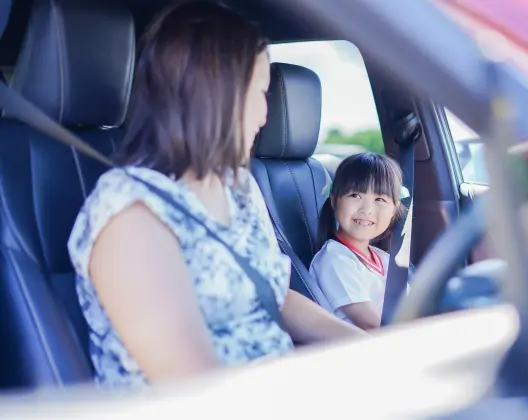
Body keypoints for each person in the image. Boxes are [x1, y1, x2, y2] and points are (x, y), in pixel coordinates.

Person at [67, 1, 364, 388]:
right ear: (218, 94)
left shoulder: (238, 186)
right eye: (260, 93)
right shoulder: (131, 215)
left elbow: (275, 295)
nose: (265, 113)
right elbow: (195, 389)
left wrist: (373, 351)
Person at [310, 153, 409, 330]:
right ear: (334, 200)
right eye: (355, 195)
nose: (367, 209)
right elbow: (371, 323)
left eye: (380, 199)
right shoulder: (335, 259)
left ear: (394, 209)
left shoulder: (383, 258)